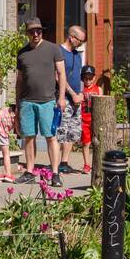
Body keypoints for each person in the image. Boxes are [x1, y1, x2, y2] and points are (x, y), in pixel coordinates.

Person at [14, 18, 67, 188]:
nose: (35, 34)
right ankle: (29, 172)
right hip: (27, 101)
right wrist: (17, 102)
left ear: (42, 32)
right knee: (29, 137)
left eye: (38, 31)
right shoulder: (22, 53)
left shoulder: (53, 49)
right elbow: (19, 80)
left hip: (47, 101)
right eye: (32, 32)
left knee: (51, 137)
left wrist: (61, 98)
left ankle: (55, 173)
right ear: (27, 34)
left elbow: (62, 74)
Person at [55, 25, 87, 175]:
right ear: (71, 37)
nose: (80, 44)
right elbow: (58, 76)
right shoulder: (59, 52)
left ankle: (64, 162)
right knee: (62, 130)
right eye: (79, 40)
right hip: (64, 98)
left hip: (76, 99)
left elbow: (78, 76)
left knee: (73, 132)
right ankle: (56, 163)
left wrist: (80, 93)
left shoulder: (77, 55)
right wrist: (72, 94)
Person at [80, 65, 102, 174]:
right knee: (86, 143)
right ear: (82, 78)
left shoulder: (98, 89)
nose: (88, 80)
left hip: (96, 119)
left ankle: (99, 164)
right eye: (85, 78)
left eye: (90, 78)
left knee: (98, 142)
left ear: (94, 78)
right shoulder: (81, 89)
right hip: (84, 120)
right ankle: (87, 164)